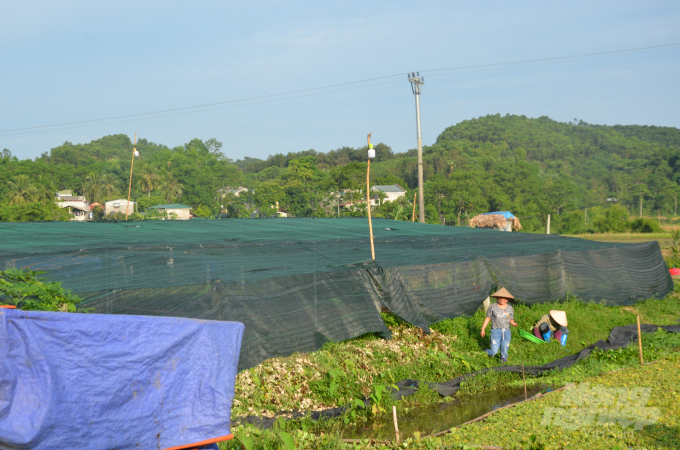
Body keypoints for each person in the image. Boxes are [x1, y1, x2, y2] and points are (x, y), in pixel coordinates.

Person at [480, 287, 518, 363]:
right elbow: (488, 318)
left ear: (507, 299)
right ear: (497, 298)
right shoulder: (492, 307)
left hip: (506, 332)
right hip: (495, 331)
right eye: (500, 298)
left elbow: (511, 319)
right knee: (494, 351)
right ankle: (488, 352)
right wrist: (483, 329)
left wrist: (513, 323)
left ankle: (503, 359)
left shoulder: (510, 308)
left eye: (504, 298)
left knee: (504, 347)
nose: (502, 299)